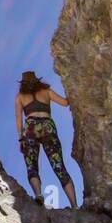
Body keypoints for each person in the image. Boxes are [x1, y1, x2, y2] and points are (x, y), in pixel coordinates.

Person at [15, 70, 77, 208]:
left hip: (30, 128)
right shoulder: (46, 91)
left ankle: (38, 195)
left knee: (32, 166)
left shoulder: (20, 96)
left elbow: (19, 118)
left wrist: (21, 138)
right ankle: (74, 205)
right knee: (59, 166)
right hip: (47, 126)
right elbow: (65, 103)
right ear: (37, 79)